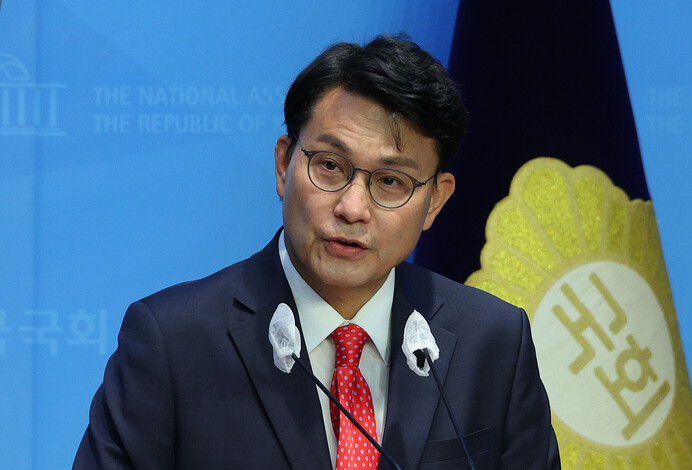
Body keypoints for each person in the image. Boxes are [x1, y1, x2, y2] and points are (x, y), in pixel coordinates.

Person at [74, 34, 560, 470]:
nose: (352, 208)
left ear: (435, 200)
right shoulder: (173, 343)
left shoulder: (493, 343)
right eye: (330, 166)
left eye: (391, 182)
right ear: (284, 164)